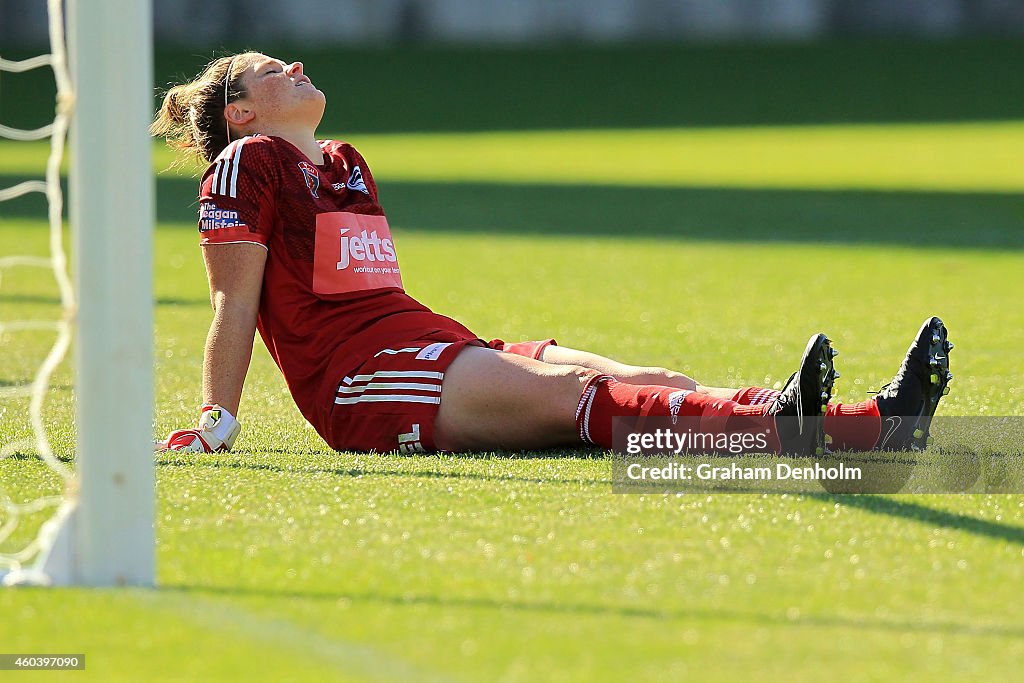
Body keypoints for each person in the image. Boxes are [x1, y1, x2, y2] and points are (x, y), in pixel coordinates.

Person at [151, 52, 953, 457]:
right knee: (580, 391)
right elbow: (235, 303)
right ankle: (804, 429)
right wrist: (216, 421)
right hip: (365, 382)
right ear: (245, 112)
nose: (293, 65)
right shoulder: (246, 163)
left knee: (657, 383)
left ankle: (857, 421)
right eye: (268, 70)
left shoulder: (345, 162)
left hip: (431, 344)